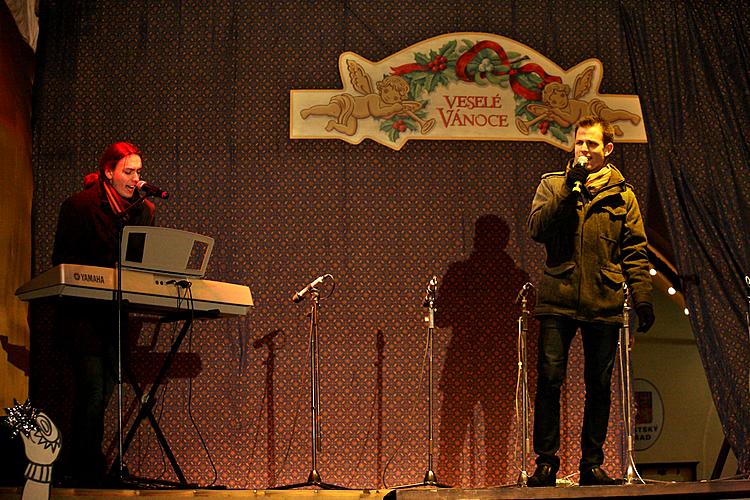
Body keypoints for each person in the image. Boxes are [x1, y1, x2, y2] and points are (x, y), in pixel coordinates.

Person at [526, 116, 654, 487]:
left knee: (599, 385)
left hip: (604, 298)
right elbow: (537, 229)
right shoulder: (553, 185)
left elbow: (635, 251)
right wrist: (569, 189)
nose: (584, 149)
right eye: (580, 143)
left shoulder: (623, 195)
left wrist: (643, 298)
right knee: (550, 380)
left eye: (592, 144)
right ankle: (546, 462)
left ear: (607, 149)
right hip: (558, 297)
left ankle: (591, 464)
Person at [52, 141, 155, 486]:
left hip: (114, 316)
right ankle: (82, 470)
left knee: (106, 391)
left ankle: (86, 466)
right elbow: (61, 262)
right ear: (108, 172)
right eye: (129, 171)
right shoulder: (79, 206)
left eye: (139, 172)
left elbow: (139, 263)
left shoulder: (143, 211)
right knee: (92, 392)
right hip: (82, 317)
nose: (136, 178)